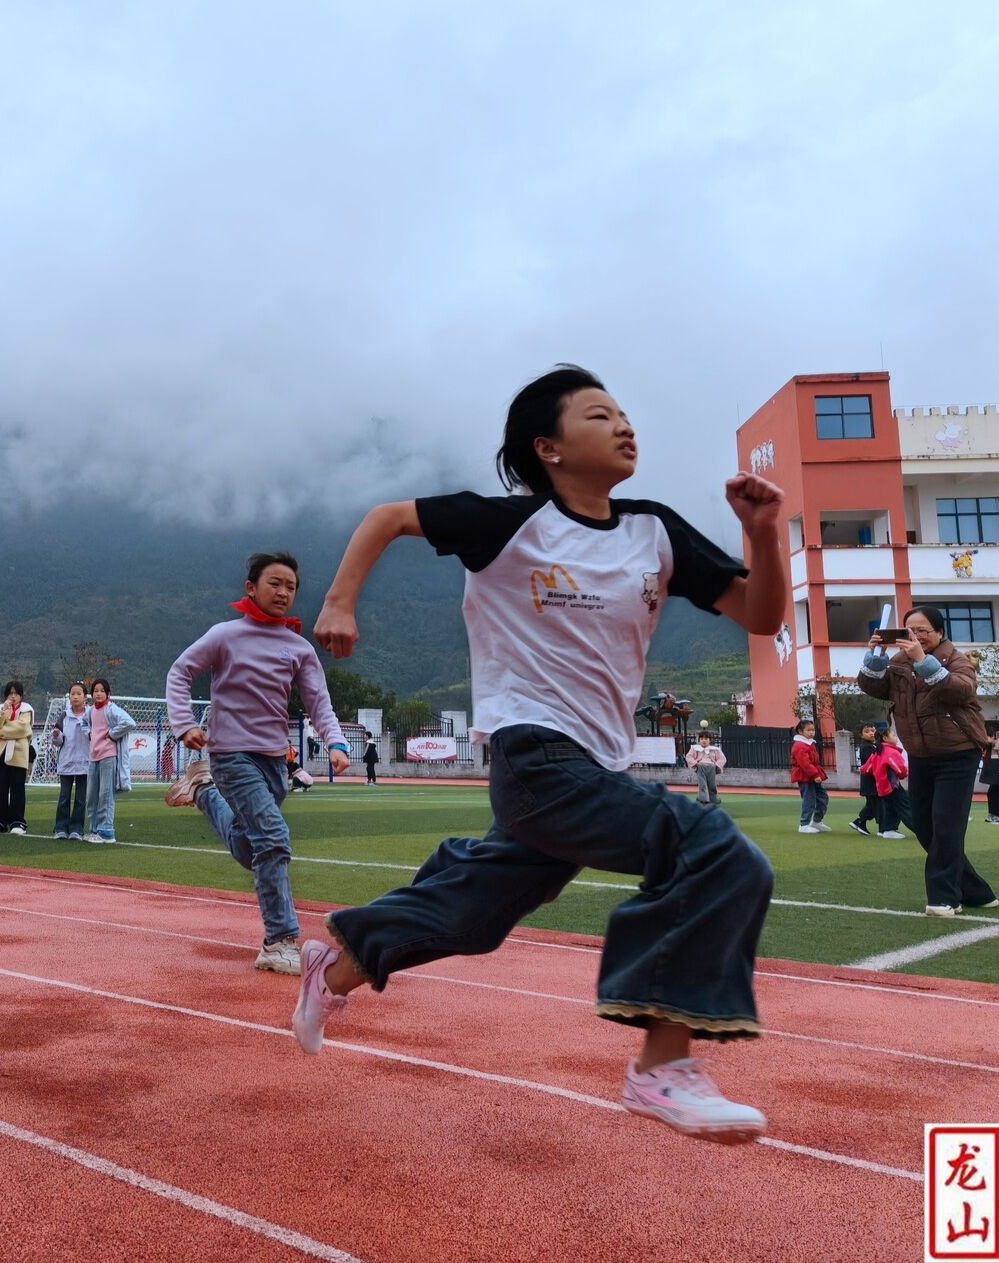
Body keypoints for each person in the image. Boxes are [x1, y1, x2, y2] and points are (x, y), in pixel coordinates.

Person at [294, 364, 785, 1144]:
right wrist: (339, 597)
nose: (624, 424)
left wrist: (762, 532)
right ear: (549, 447)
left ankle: (342, 960)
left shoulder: (652, 530)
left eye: (625, 412)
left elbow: (758, 612)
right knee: (717, 850)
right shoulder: (509, 524)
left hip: (597, 764)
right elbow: (389, 516)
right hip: (535, 757)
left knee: (477, 912)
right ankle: (662, 1065)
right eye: (600, 415)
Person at [164, 551, 351, 974]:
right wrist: (183, 724)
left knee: (255, 850)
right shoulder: (224, 635)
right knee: (274, 839)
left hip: (273, 762)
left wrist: (336, 743)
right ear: (251, 588)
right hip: (231, 755)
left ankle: (204, 791)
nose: (284, 592)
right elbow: (180, 672)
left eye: (291, 586)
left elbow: (319, 702)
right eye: (275, 583)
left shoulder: (298, 648)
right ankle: (279, 940)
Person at [859, 607, 999, 916]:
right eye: (910, 630)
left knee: (946, 826)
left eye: (923, 630)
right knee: (924, 827)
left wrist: (923, 660)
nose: (916, 636)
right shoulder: (899, 663)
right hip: (921, 754)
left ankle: (945, 898)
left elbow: (962, 691)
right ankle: (977, 892)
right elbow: (874, 689)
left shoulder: (955, 659)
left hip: (958, 752)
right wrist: (876, 659)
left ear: (939, 633)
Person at [83, 680, 136, 843]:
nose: (98, 694)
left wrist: (112, 734)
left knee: (105, 794)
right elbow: (84, 724)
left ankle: (106, 832)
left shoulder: (112, 709)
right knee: (91, 796)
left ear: (108, 694)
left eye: (102, 691)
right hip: (94, 756)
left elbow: (129, 722)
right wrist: (90, 734)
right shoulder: (91, 711)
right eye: (95, 691)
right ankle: (95, 830)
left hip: (108, 756)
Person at [0, 681, 34, 835]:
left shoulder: (26, 709)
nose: (13, 696)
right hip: (1, 753)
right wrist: (2, 712)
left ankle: (17, 821)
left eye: (16, 693)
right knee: (1, 787)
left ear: (21, 695)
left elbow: (22, 728)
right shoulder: (2, 709)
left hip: (18, 753)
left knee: (17, 788)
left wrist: (1, 732)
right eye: (10, 693)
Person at [50, 683, 92, 839]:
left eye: (78, 693)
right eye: (72, 694)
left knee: (81, 799)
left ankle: (77, 829)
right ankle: (60, 828)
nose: (75, 696)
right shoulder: (64, 716)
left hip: (85, 762)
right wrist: (56, 736)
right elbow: (58, 741)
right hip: (66, 762)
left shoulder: (91, 715)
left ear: (85, 697)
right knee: (64, 797)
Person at [860, 732, 910, 839]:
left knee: (890, 808)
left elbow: (866, 769)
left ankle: (888, 829)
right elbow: (901, 770)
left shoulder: (877, 752)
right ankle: (922, 830)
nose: (896, 738)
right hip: (892, 786)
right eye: (894, 736)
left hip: (882, 786)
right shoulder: (891, 752)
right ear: (885, 738)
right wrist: (905, 774)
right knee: (906, 808)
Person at [791, 720, 829, 833]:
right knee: (809, 799)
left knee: (823, 797)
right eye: (808, 730)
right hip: (805, 776)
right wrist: (815, 774)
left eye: (813, 730)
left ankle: (816, 821)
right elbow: (805, 763)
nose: (811, 732)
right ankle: (804, 824)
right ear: (800, 731)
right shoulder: (799, 745)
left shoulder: (809, 743)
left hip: (812, 775)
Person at [848, 724, 881, 834]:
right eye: (867, 731)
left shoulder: (873, 746)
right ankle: (882, 827)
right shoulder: (867, 747)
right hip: (870, 782)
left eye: (872, 730)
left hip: (872, 782)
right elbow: (872, 764)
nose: (871, 733)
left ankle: (859, 822)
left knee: (872, 805)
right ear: (861, 735)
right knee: (876, 804)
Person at [685, 730, 726, 807]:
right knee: (702, 784)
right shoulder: (695, 748)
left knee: (712, 784)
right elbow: (688, 756)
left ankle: (714, 800)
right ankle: (703, 800)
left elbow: (722, 758)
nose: (704, 741)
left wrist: (716, 765)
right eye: (702, 739)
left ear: (709, 740)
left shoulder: (715, 749)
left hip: (712, 767)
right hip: (700, 767)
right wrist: (695, 764)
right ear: (699, 740)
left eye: (706, 739)